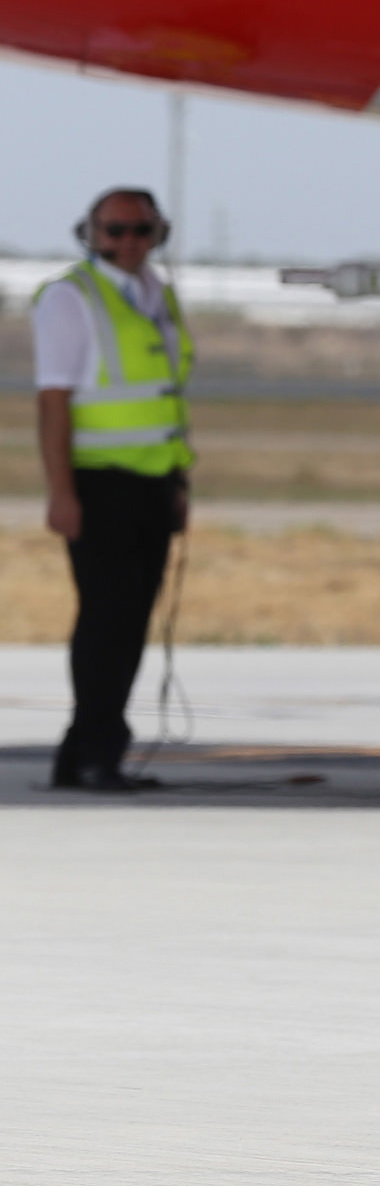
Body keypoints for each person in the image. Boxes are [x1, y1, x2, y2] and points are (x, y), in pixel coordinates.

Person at [34, 187, 194, 792]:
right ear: (90, 234)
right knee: (106, 619)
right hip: (98, 483)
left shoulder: (157, 296)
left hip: (154, 482)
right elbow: (53, 402)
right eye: (115, 231)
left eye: (141, 231)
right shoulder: (70, 298)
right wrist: (61, 492)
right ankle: (95, 752)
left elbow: (166, 398)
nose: (128, 242)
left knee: (132, 619)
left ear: (158, 235)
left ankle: (86, 753)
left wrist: (179, 482)